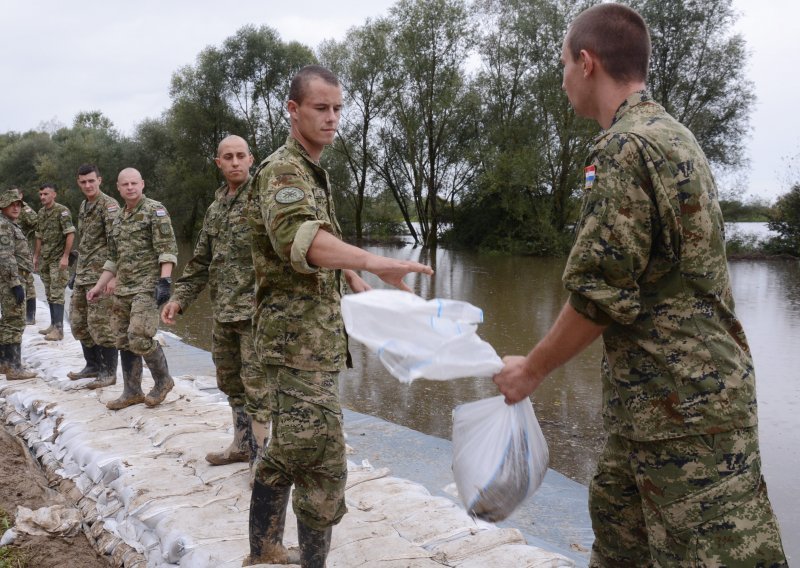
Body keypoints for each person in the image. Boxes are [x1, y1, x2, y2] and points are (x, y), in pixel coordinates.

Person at [492, 5, 787, 566]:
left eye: (562, 66)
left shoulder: (625, 148)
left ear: (587, 62)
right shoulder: (674, 135)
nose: (562, 80)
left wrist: (529, 370)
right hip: (652, 411)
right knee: (618, 535)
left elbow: (599, 295)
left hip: (685, 414)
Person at [244, 65, 433, 568]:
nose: (331, 119)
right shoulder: (284, 171)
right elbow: (298, 239)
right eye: (320, 108)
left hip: (309, 342)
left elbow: (319, 243)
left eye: (337, 109)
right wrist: (374, 260)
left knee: (287, 448)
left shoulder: (311, 171)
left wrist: (350, 277)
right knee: (325, 464)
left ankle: (262, 548)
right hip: (295, 343)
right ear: (293, 109)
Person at [161, 135, 264, 470]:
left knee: (258, 389)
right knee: (231, 382)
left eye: (240, 156)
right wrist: (179, 299)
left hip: (257, 315)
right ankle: (242, 446)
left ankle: (262, 462)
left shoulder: (264, 200)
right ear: (218, 163)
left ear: (251, 159)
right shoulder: (216, 207)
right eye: (227, 157)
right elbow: (201, 261)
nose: (234, 162)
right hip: (224, 313)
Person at [87, 168, 177, 410]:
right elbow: (113, 259)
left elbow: (167, 249)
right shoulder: (118, 218)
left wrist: (165, 281)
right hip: (123, 288)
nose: (130, 187)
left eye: (134, 183)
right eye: (125, 184)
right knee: (122, 339)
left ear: (142, 184)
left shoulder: (154, 211)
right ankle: (132, 391)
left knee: (139, 336)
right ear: (118, 187)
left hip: (147, 286)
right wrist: (99, 286)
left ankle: (163, 380)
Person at [67, 164, 120, 389]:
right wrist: (76, 272)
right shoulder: (84, 205)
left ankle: (108, 372)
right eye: (83, 182)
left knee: (101, 325)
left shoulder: (109, 205)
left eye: (91, 180)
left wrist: (113, 277)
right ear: (78, 183)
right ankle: (92, 365)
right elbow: (86, 242)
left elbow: (117, 244)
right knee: (78, 322)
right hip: (84, 273)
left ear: (100, 180)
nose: (88, 185)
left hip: (101, 276)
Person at [0, 189, 37, 380]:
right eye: (11, 204)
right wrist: (15, 283)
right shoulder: (4, 226)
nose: (16, 207)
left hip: (13, 278)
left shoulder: (10, 224)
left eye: (18, 205)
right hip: (11, 280)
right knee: (15, 322)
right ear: (3, 205)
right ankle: (14, 368)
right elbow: (6, 256)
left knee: (8, 322)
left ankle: (5, 363)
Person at [33, 182, 75, 341]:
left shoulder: (62, 211)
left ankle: (59, 330)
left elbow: (70, 234)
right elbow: (38, 236)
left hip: (58, 259)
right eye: (41, 194)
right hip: (45, 258)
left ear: (54, 195)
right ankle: (53, 325)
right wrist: (36, 256)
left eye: (46, 194)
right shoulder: (41, 213)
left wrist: (65, 256)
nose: (43, 197)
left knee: (57, 293)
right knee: (49, 293)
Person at [10, 187, 38, 325]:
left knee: (28, 283)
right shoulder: (6, 208)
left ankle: (30, 316)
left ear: (21, 195)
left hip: (22, 250)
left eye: (17, 195)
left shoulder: (25, 209)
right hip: (9, 251)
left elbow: (37, 224)